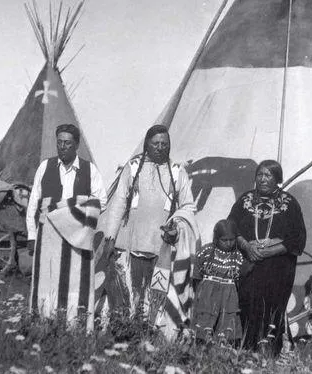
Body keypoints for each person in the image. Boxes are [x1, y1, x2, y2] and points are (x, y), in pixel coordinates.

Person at [101, 124, 199, 339]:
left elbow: (188, 206)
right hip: (131, 242)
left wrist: (177, 225)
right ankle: (125, 331)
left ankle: (153, 333)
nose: (160, 148)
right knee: (129, 288)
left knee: (157, 292)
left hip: (161, 247)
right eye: (155, 144)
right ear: (147, 145)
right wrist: (110, 236)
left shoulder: (177, 172)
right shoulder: (133, 167)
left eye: (165, 144)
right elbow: (118, 202)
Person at [26, 124, 107, 329]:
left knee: (75, 283)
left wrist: (71, 210)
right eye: (59, 142)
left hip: (78, 238)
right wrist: (31, 235)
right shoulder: (45, 167)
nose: (62, 147)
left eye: (67, 143)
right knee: (48, 281)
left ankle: (74, 326)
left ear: (77, 145)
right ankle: (45, 324)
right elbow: (33, 203)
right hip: (49, 237)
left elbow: (102, 201)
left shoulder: (89, 170)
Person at [228, 160, 306, 357]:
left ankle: (271, 353)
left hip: (278, 268)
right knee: (247, 304)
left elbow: (297, 238)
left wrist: (270, 251)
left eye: (268, 175)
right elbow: (230, 227)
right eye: (260, 175)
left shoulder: (289, 203)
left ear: (277, 179)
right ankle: (246, 351)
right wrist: (247, 246)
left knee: (273, 307)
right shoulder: (245, 200)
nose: (262, 179)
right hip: (249, 264)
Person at [192, 219, 244, 343]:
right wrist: (201, 295)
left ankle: (222, 353)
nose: (228, 243)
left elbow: (239, 282)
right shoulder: (206, 252)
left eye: (232, 239)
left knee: (226, 327)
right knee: (204, 325)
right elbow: (196, 276)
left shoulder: (238, 257)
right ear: (216, 238)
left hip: (229, 298)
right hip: (207, 297)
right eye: (224, 240)